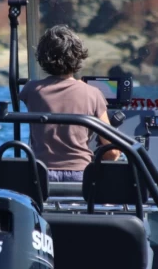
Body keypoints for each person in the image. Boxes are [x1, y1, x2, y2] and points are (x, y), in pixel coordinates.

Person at [19, 25, 120, 183]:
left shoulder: (31, 90)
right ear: (78, 57)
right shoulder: (93, 94)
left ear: (43, 57)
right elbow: (112, 153)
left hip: (40, 174)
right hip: (81, 175)